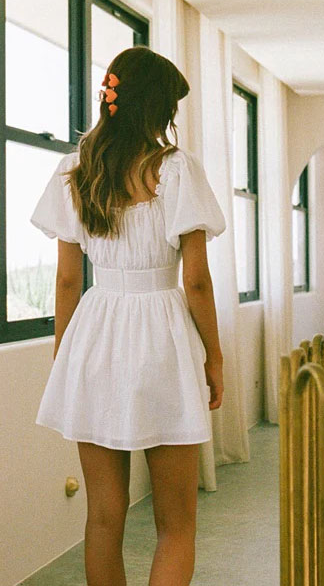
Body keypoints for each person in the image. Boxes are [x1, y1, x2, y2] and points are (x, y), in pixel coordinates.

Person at [29, 45, 226, 586]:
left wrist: (65, 356)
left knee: (102, 518)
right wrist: (214, 356)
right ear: (154, 107)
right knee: (176, 524)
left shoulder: (75, 170)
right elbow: (196, 281)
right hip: (163, 336)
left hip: (95, 332)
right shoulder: (176, 170)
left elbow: (67, 280)